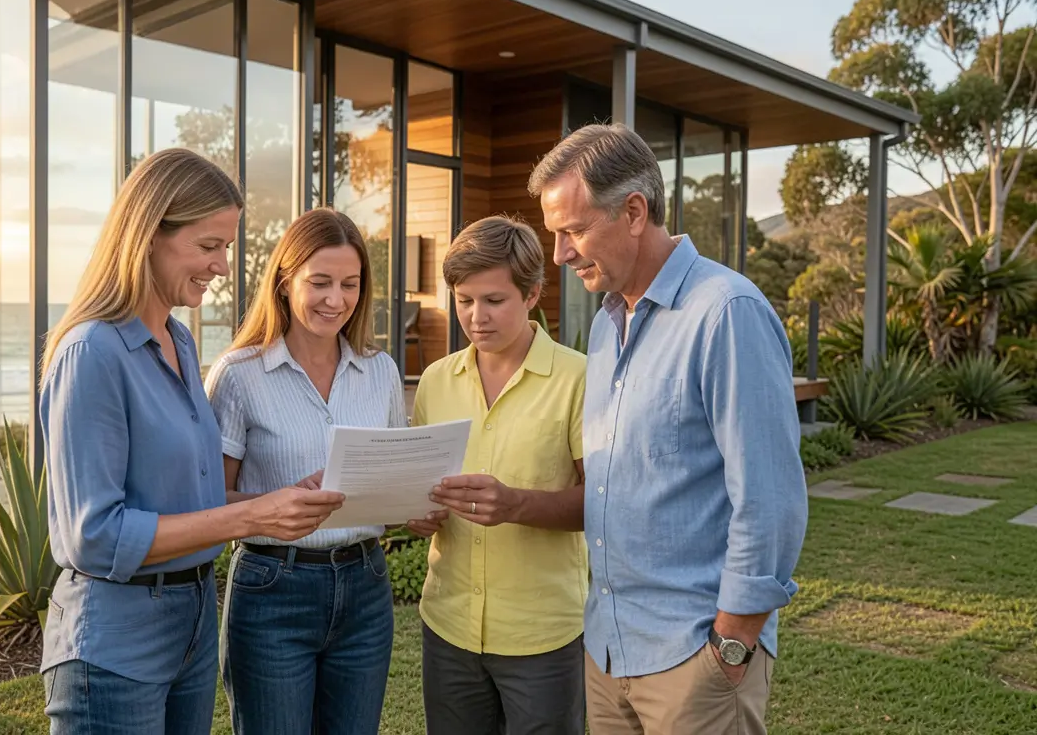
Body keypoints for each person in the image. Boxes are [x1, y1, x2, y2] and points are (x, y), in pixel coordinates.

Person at [37, 148, 346, 735]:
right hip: (115, 644)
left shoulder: (179, 340)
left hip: (196, 622)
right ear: (149, 235)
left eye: (226, 247)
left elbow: (186, 504)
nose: (223, 266)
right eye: (209, 247)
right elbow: (94, 535)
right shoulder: (92, 353)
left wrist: (279, 502)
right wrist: (252, 515)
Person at [529, 122, 808, 734]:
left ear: (633, 211)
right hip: (606, 651)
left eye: (573, 231)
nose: (560, 255)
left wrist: (731, 646)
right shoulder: (606, 323)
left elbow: (770, 500)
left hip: (694, 660)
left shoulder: (727, 314)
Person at [204, 207, 405, 735]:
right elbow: (207, 499)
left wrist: (419, 502)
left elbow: (392, 481)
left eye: (350, 284)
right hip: (274, 588)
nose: (335, 300)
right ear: (285, 280)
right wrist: (274, 505)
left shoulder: (380, 371)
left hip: (366, 587)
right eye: (319, 282)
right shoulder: (239, 375)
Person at [403, 215, 589, 735]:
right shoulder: (436, 381)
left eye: (493, 300)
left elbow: (604, 502)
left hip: (542, 635)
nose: (476, 317)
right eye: (464, 300)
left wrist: (515, 505)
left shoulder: (579, 378)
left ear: (532, 296)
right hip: (448, 627)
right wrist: (419, 514)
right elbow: (423, 490)